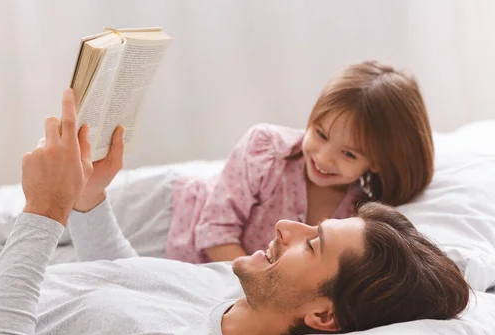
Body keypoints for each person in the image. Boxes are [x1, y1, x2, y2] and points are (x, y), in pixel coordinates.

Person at [0, 89, 468, 335]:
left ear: (322, 314)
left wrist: (45, 212)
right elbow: (123, 281)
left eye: (311, 244)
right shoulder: (244, 293)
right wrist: (91, 200)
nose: (287, 227)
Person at [165, 60, 435, 263]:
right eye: (320, 133)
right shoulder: (265, 150)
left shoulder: (355, 218)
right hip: (171, 220)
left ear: (377, 162)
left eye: (349, 154)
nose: (323, 157)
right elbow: (215, 232)